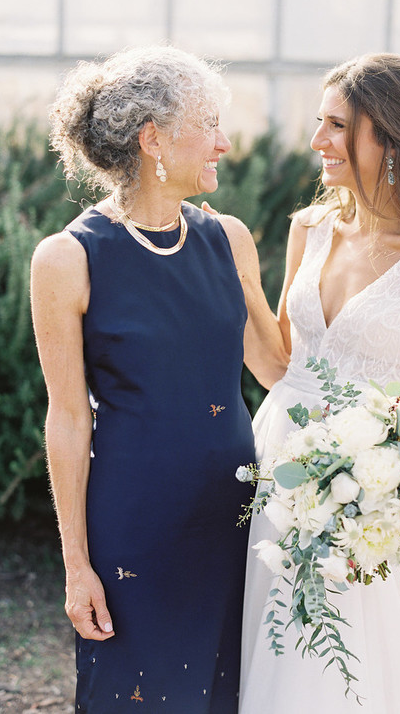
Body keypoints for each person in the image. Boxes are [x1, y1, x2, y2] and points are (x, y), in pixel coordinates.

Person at [30, 45, 288, 714]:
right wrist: (76, 563)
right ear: (154, 139)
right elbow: (66, 417)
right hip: (135, 526)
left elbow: (276, 369)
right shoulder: (68, 258)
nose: (225, 144)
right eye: (208, 123)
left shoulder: (229, 237)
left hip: (235, 518)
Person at [239, 54, 400, 713]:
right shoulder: (309, 230)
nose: (316, 140)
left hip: (362, 498)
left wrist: (380, 498)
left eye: (335, 125)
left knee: (346, 659)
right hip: (272, 466)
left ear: (387, 136)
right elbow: (279, 364)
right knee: (266, 637)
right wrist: (235, 268)